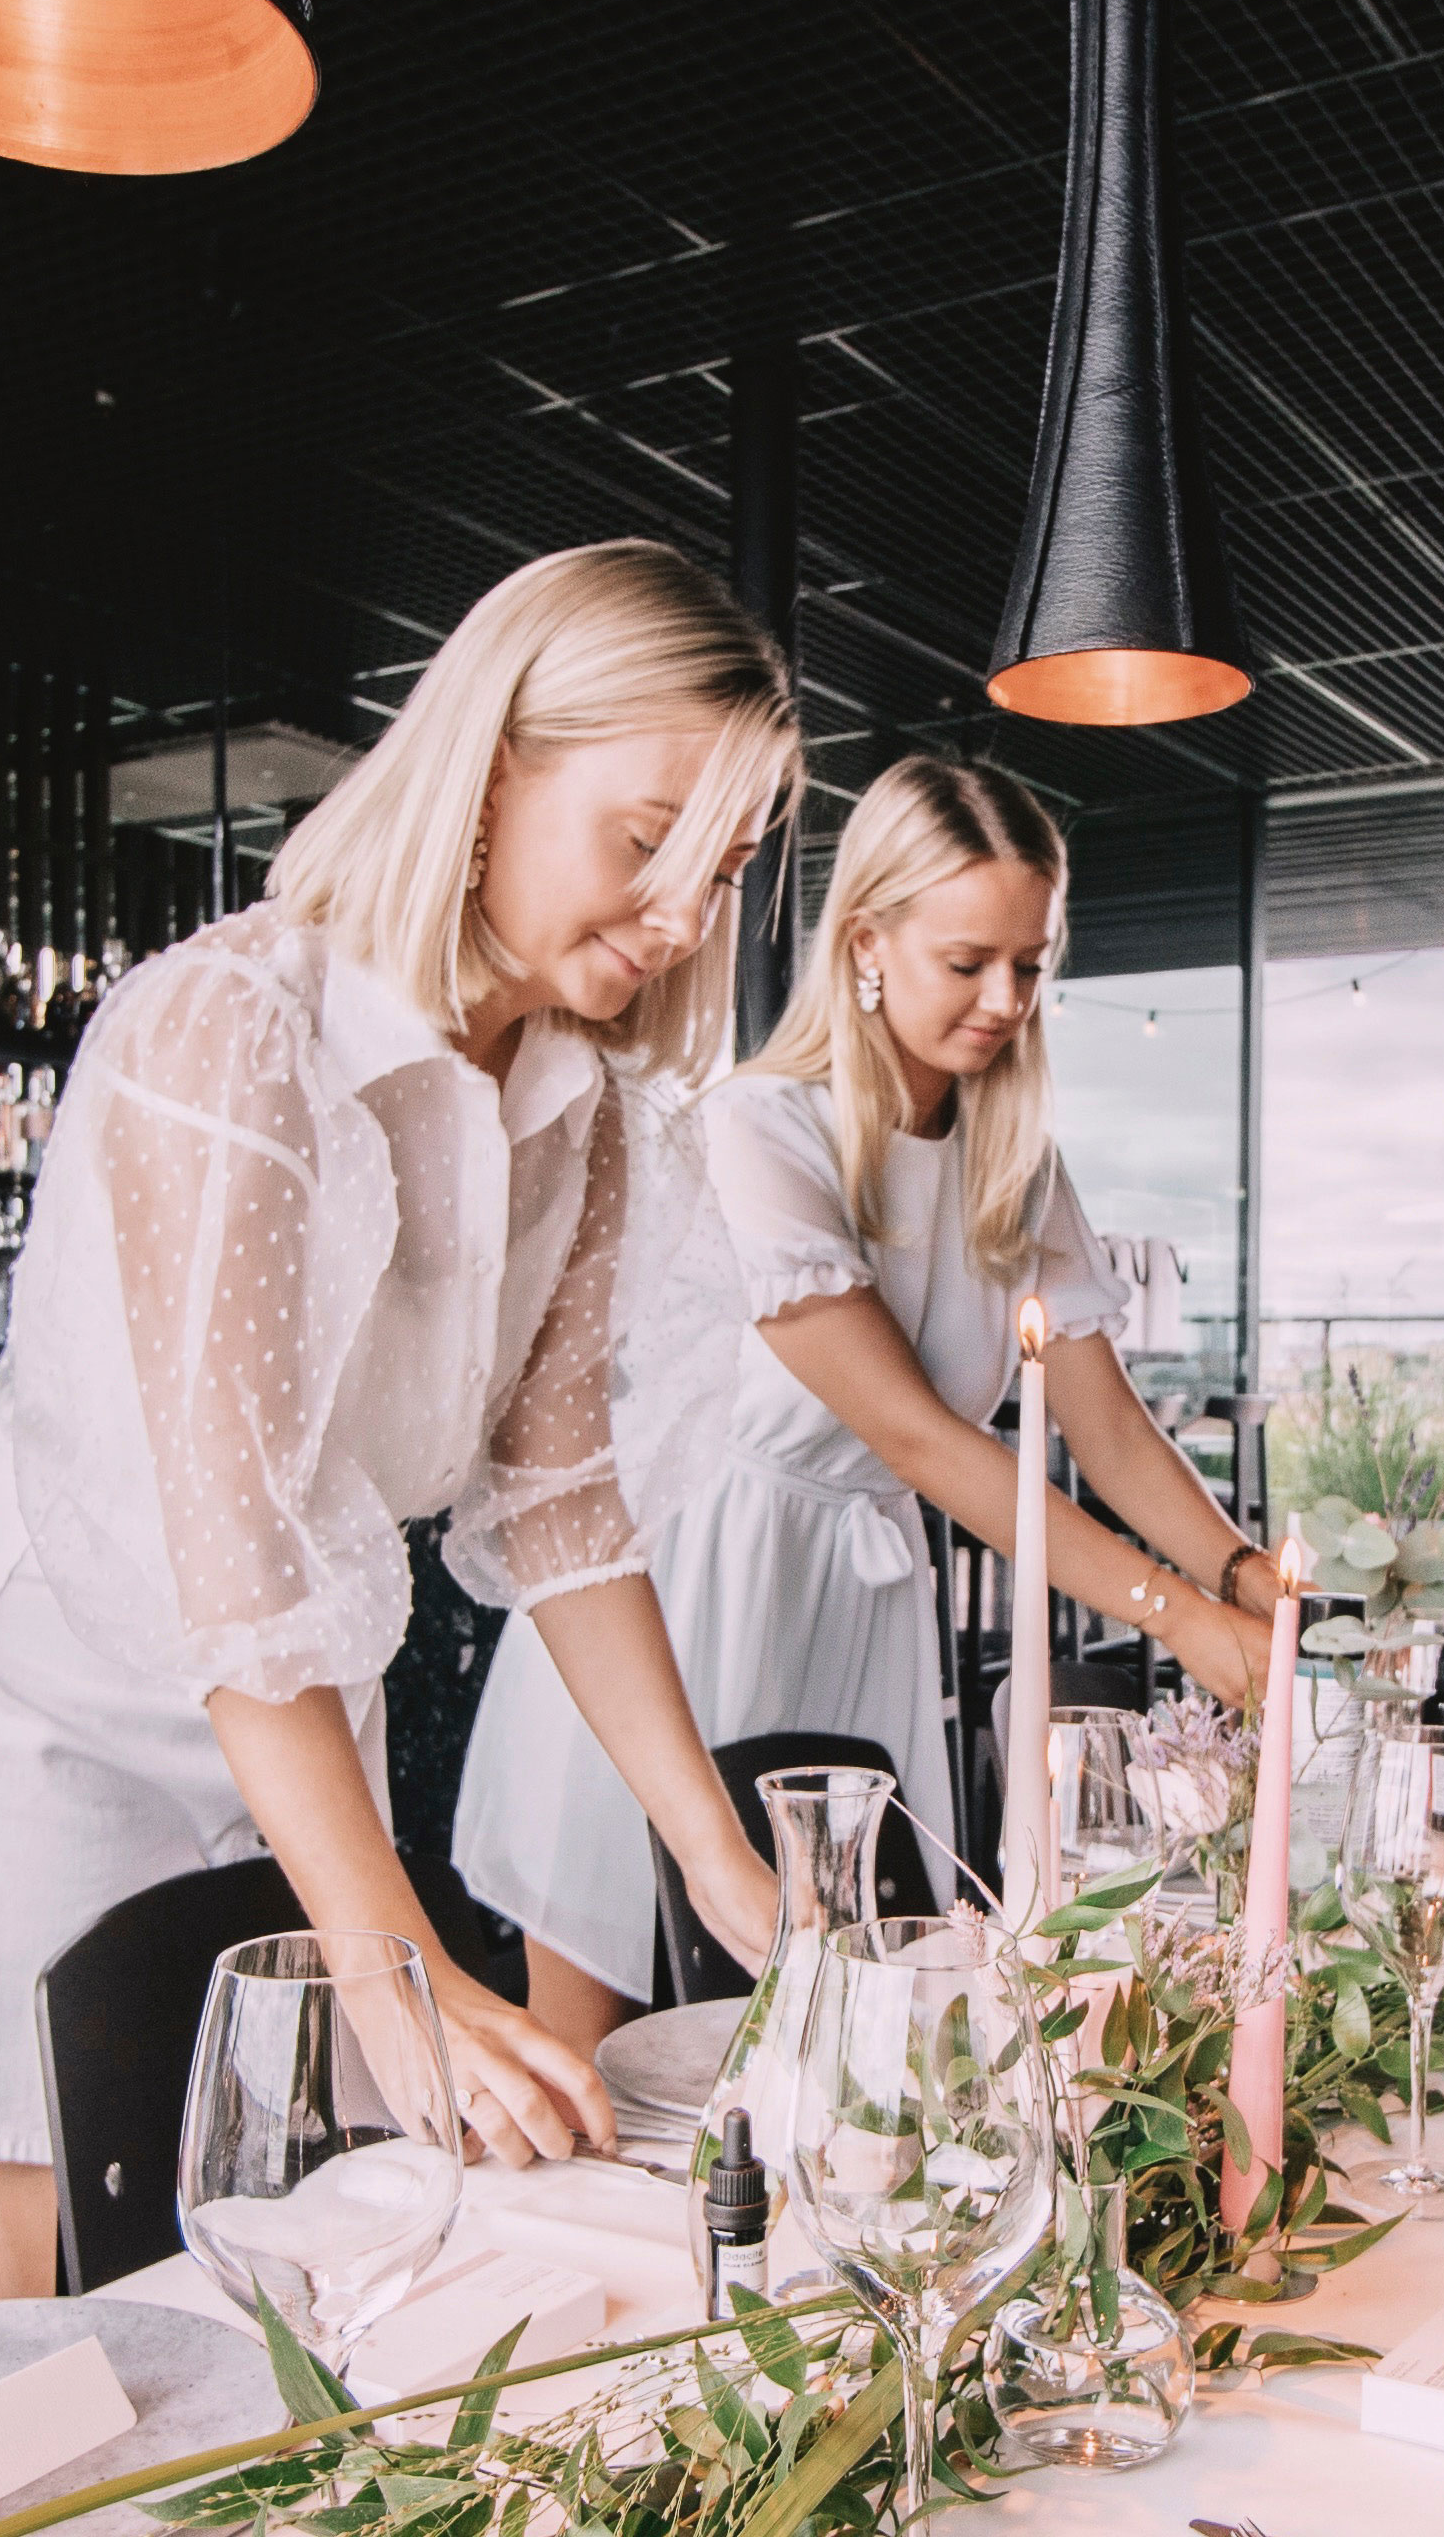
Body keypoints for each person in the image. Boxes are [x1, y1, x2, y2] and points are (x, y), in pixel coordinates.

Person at [0, 541, 800, 2296]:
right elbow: (234, 1549)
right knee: (43, 2327)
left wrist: (723, 1860)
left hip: (298, 1721)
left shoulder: (588, 1112)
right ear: (491, 771)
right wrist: (405, 1973)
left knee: (276, 2272)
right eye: (647, 843)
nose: (683, 918)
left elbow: (558, 1497)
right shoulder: (234, 1033)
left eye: (721, 873)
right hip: (54, 1715)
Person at [451, 754, 1281, 2060]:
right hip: (690, 1584)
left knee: (853, 2040)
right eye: (969, 961)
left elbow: (1110, 1433)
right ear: (870, 944)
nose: (1006, 999)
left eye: (1031, 962)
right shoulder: (761, 1128)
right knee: (607, 2052)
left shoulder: (1019, 1169)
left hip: (861, 1603)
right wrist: (1178, 1619)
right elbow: (917, 1434)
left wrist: (1242, 1574)